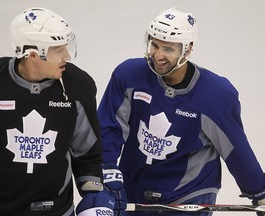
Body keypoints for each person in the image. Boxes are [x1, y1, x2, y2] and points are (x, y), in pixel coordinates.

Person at [98, 7, 265, 216]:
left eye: (168, 49)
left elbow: (235, 149)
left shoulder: (215, 95)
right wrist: (105, 169)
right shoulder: (129, 76)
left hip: (189, 194)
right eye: (154, 45)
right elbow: (109, 128)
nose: (157, 55)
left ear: (187, 49)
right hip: (134, 188)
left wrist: (259, 192)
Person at [0, 7, 114, 216]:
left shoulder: (78, 86)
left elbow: (87, 155)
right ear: (32, 54)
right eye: (58, 50)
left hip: (57, 209)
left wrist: (94, 194)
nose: (67, 56)